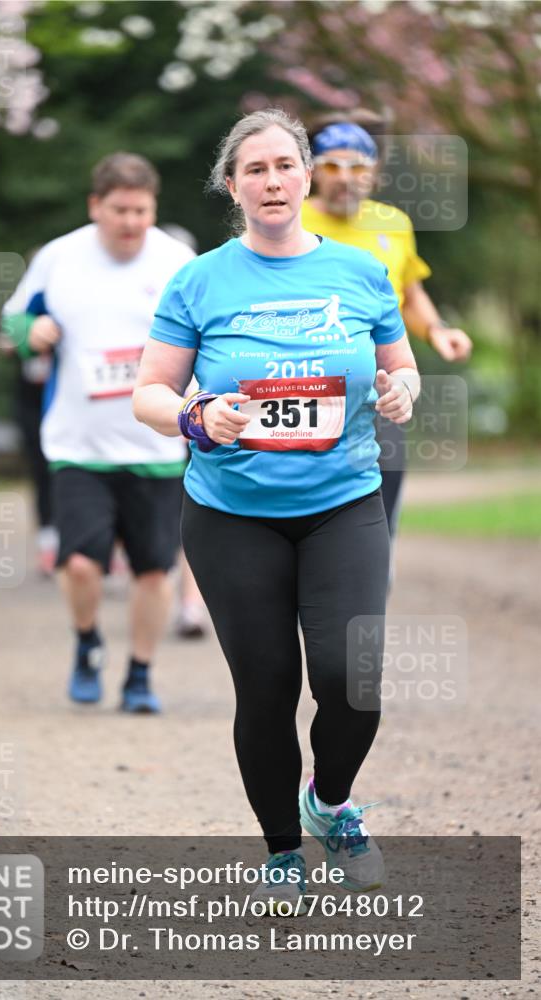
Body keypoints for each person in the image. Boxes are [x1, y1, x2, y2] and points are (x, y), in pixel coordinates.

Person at [133, 109, 420, 912]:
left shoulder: (361, 271)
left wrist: (401, 390)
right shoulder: (199, 279)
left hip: (343, 504)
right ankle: (282, 852)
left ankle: (328, 804)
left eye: (283, 166)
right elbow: (147, 393)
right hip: (230, 513)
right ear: (233, 186)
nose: (271, 181)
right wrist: (195, 417)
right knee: (265, 689)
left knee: (350, 679)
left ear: (306, 177)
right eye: (253, 169)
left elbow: (401, 368)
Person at [1, 153, 194, 711]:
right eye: (119, 210)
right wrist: (29, 329)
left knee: (153, 570)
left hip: (156, 443)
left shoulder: (179, 259)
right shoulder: (60, 257)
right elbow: (14, 319)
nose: (131, 222)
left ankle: (140, 674)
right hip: (77, 443)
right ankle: (87, 641)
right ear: (96, 207)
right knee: (80, 562)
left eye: (141, 210)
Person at [302, 119, 472, 542]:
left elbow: (410, 294)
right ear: (311, 171)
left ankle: (370, 587)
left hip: (381, 394)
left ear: (375, 172)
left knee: (379, 515)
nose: (346, 178)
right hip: (305, 389)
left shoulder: (393, 223)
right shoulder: (289, 220)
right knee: (308, 510)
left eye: (358, 168)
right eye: (332, 166)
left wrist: (437, 331)